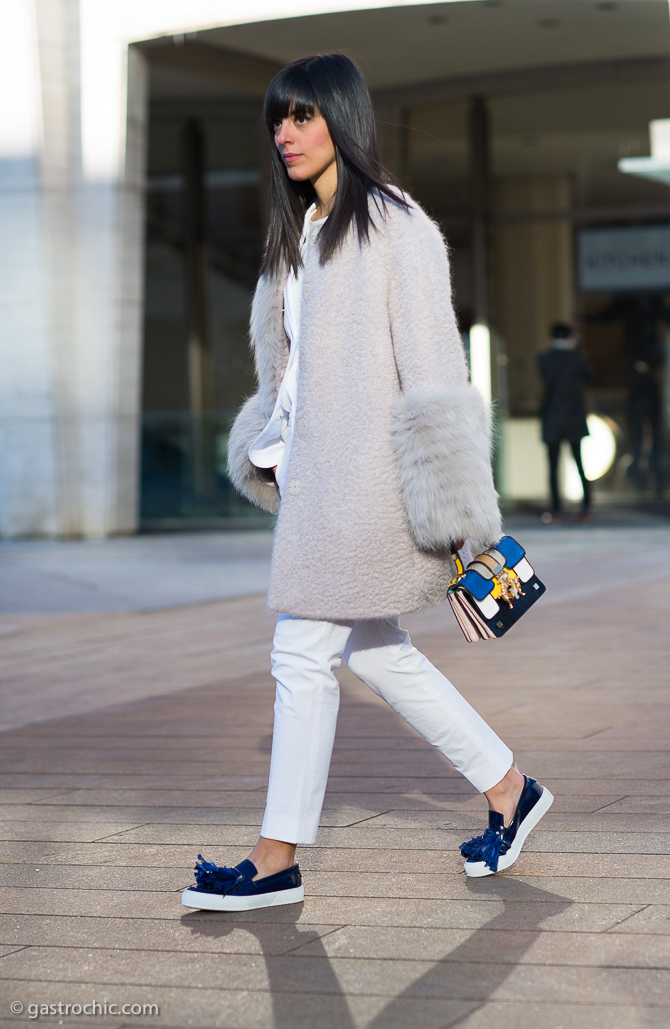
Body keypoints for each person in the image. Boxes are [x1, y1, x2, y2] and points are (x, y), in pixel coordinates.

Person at [181, 53, 553, 912]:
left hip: (370, 489)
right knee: (373, 651)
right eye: (278, 118)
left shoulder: (395, 227)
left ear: (343, 120)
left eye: (304, 116)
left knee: (300, 649)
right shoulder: (298, 238)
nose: (285, 133)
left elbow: (434, 374)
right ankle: (509, 789)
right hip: (318, 484)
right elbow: (296, 377)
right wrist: (269, 443)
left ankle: (275, 860)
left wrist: (464, 518)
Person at [537, 323, 594, 522]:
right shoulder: (577, 358)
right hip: (574, 417)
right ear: (570, 338)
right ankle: (586, 506)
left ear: (551, 338)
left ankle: (556, 509)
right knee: (580, 463)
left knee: (553, 466)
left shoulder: (543, 359)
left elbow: (547, 380)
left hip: (553, 417)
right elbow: (591, 376)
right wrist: (577, 348)